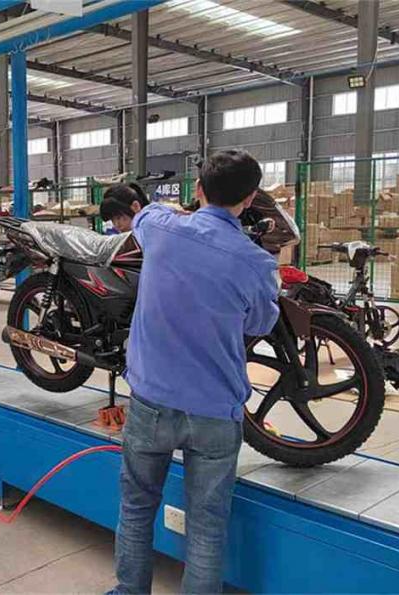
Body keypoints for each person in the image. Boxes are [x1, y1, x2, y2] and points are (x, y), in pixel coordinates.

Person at [112, 150, 279, 594]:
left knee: (136, 508)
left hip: (151, 402)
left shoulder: (161, 228)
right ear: (250, 198)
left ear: (199, 189)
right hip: (215, 411)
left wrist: (172, 210)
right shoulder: (256, 263)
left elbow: (143, 214)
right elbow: (260, 323)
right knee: (206, 527)